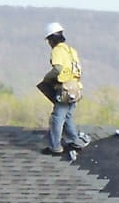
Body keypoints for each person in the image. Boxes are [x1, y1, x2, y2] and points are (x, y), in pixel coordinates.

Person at [38, 21, 88, 159]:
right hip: (76, 87)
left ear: (52, 39)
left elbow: (58, 69)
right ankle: (75, 141)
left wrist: (47, 78)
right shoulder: (71, 50)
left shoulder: (58, 50)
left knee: (57, 118)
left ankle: (55, 147)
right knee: (68, 116)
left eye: (49, 40)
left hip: (65, 88)